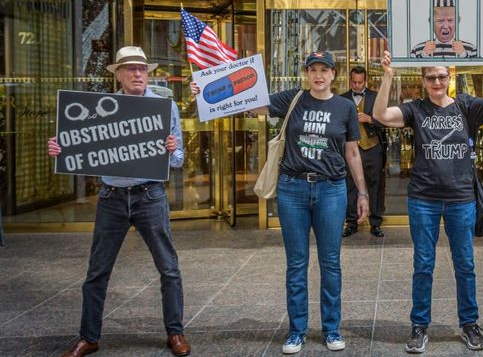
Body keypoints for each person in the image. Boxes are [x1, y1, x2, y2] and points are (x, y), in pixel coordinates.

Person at [193, 51, 369, 354]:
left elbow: (352, 152)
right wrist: (208, 95)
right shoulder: (294, 98)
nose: (318, 75)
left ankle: (331, 328)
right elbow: (253, 104)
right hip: (293, 189)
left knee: (330, 263)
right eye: (312, 69)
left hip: (331, 190)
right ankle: (297, 330)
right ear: (306, 73)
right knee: (296, 263)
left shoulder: (344, 107)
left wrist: (362, 193)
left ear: (333, 75)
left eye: (324, 70)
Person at [47, 46, 190, 357]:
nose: (137, 73)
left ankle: (175, 333)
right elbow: (77, 146)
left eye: (141, 68)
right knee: (97, 271)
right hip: (111, 197)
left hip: (150, 195)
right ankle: (89, 336)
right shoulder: (100, 108)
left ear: (148, 73)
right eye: (130, 69)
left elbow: (178, 160)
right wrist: (62, 149)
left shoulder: (165, 108)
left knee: (168, 268)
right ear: (119, 75)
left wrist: (171, 150)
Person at [373, 47, 483, 353]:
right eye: (430, 77)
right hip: (423, 198)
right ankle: (419, 326)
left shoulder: (466, 105)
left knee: (465, 264)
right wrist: (387, 76)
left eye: (441, 76)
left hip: (461, 198)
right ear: (423, 81)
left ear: (449, 78)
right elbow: (381, 115)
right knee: (423, 264)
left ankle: (469, 323)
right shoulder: (416, 109)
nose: (436, 81)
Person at [340, 66, 387, 238]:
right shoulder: (342, 99)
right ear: (350, 80)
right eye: (354, 82)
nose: (357, 85)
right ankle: (351, 222)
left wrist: (370, 119)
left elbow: (387, 120)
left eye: (360, 82)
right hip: (351, 148)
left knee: (375, 185)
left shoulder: (376, 97)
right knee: (350, 185)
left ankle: (375, 223)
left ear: (365, 81)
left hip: (372, 148)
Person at [410, 0, 477, 58]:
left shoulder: (471, 50)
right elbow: (414, 70)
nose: (445, 26)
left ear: (458, 21)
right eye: (440, 21)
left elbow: (476, 70)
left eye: (450, 20)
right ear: (431, 22)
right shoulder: (417, 50)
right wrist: (424, 55)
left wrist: (463, 54)